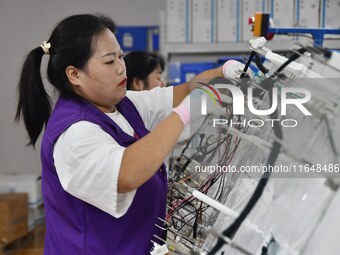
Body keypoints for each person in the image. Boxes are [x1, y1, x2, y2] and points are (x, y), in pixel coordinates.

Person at [15, 14, 232, 255]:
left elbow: (181, 93)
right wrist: (183, 114)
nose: (121, 68)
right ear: (74, 74)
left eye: (120, 56)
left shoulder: (121, 104)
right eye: (109, 62)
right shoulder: (74, 134)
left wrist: (223, 72)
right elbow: (126, 173)